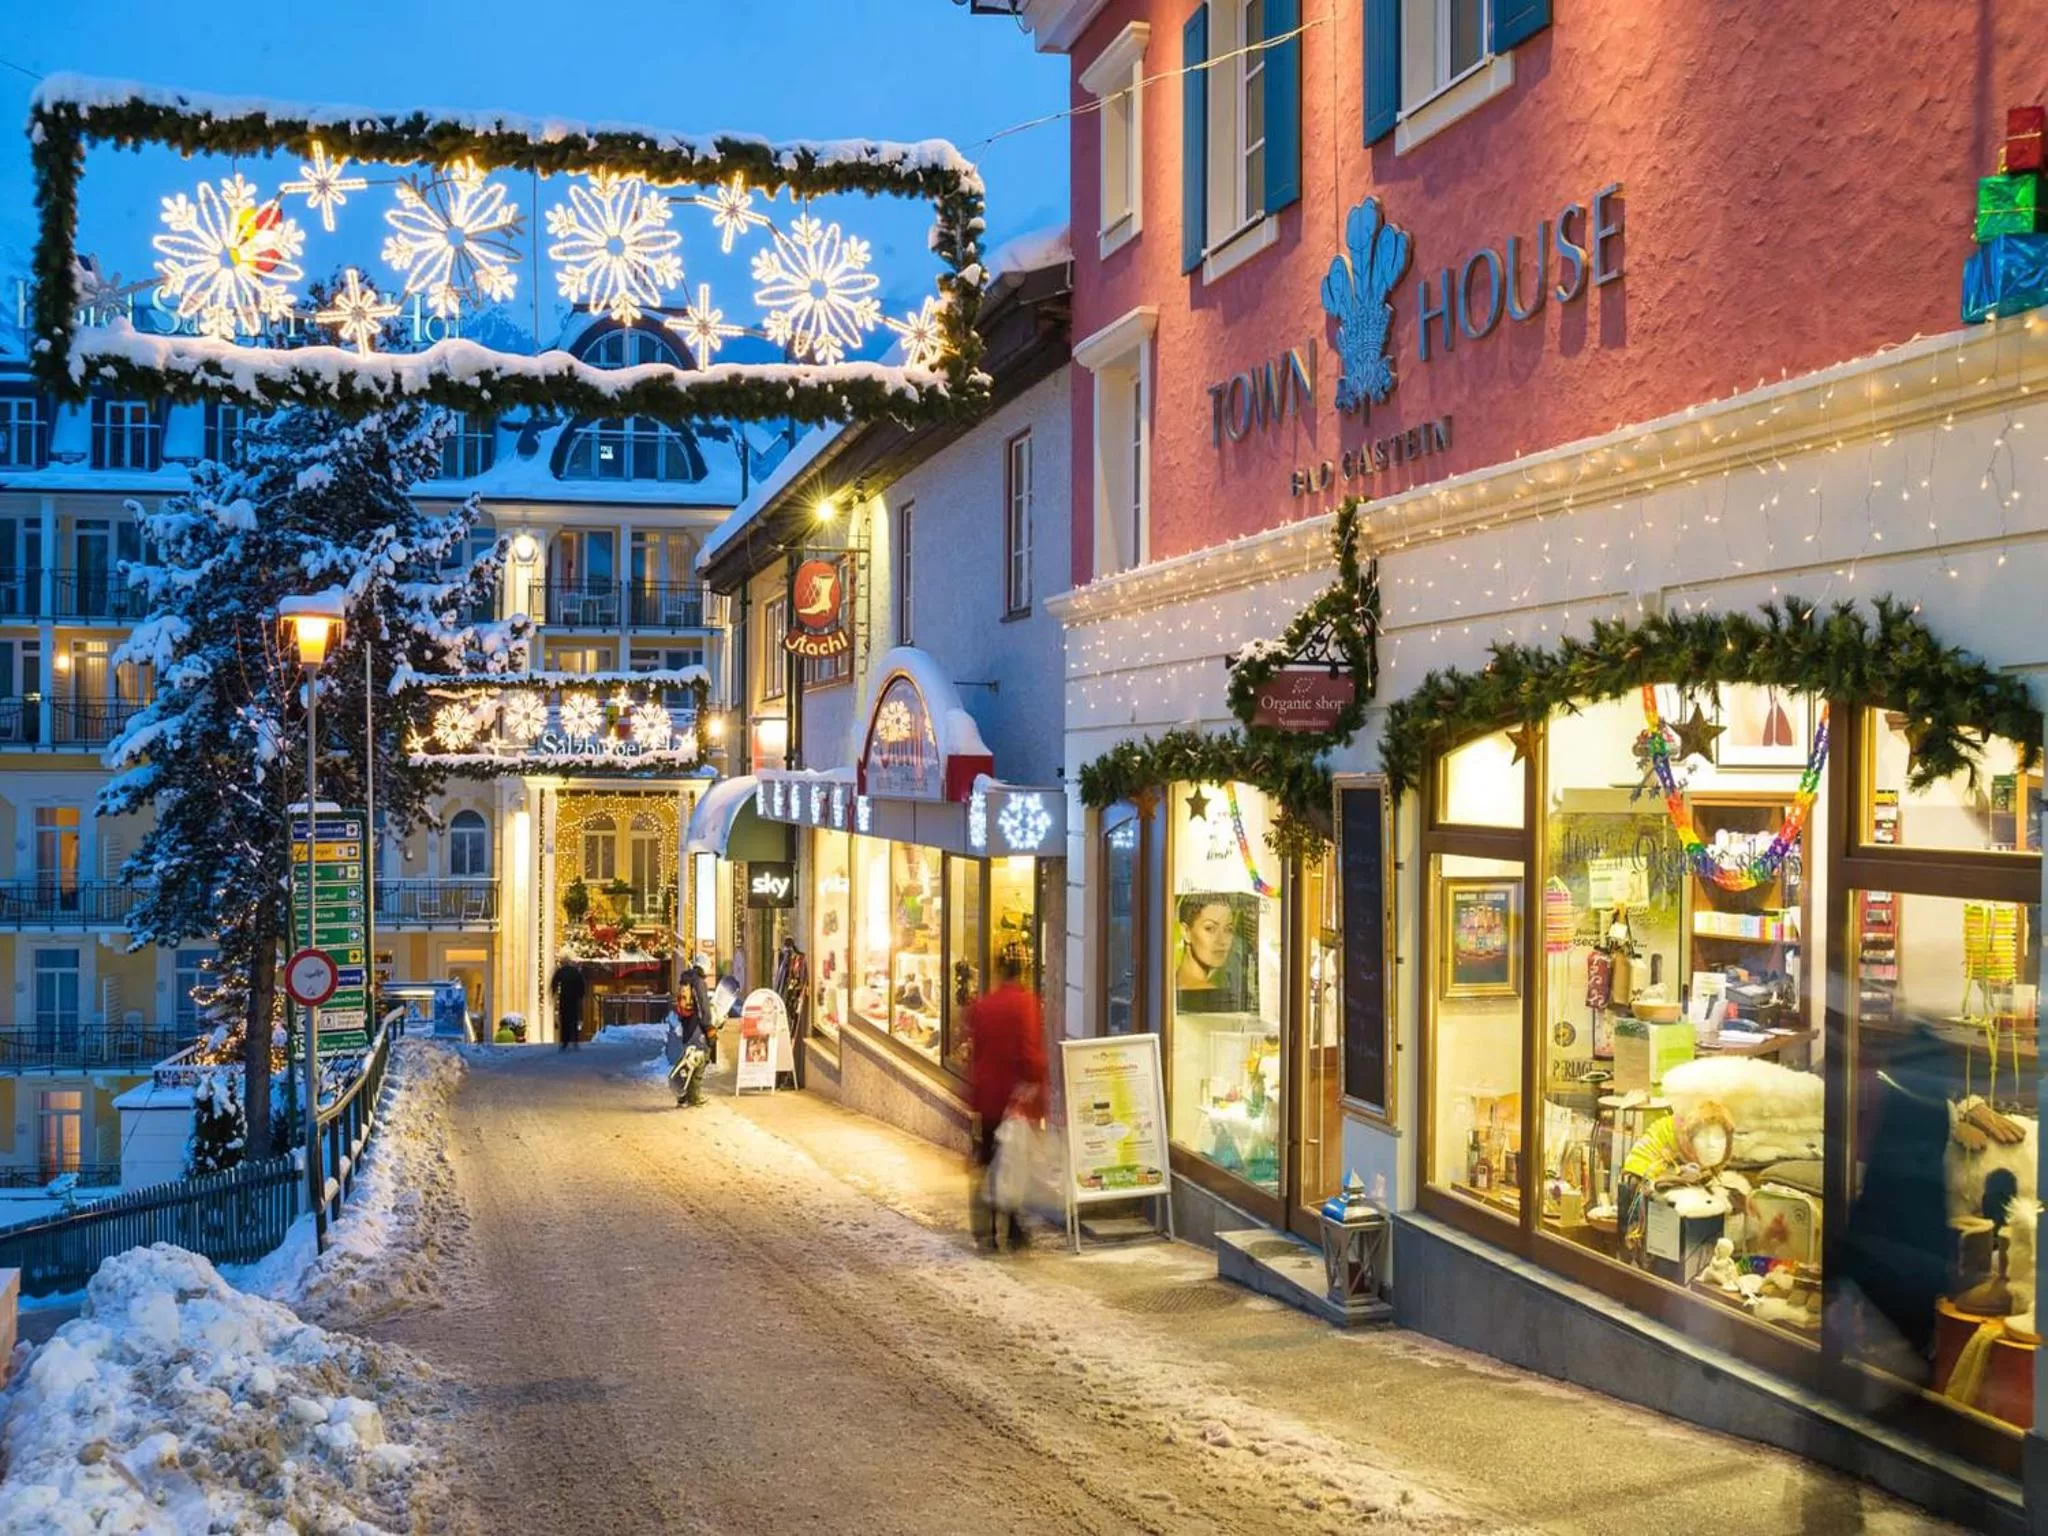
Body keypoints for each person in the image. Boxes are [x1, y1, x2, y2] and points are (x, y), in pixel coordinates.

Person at [966, 951, 1048, 1253]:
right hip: (1014, 1099)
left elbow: (976, 1050)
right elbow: (1030, 1053)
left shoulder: (984, 1005)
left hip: (987, 1097)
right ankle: (1013, 1229)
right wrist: (1038, 1084)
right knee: (1014, 1163)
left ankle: (984, 1230)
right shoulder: (1026, 1004)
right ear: (1022, 973)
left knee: (989, 1160)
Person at [666, 965, 716, 1106]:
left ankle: (682, 1095)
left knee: (689, 1059)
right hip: (697, 1026)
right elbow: (703, 1006)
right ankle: (693, 1096)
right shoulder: (698, 982)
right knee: (700, 1059)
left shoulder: (685, 980)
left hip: (687, 1025)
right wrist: (709, 1028)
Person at [548, 956, 587, 1051]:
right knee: (573, 1020)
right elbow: (581, 985)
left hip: (564, 998)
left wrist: (553, 993)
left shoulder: (561, 971)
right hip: (573, 999)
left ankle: (564, 1042)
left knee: (564, 1021)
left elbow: (554, 982)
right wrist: (580, 995)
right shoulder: (575, 972)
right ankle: (575, 1041)